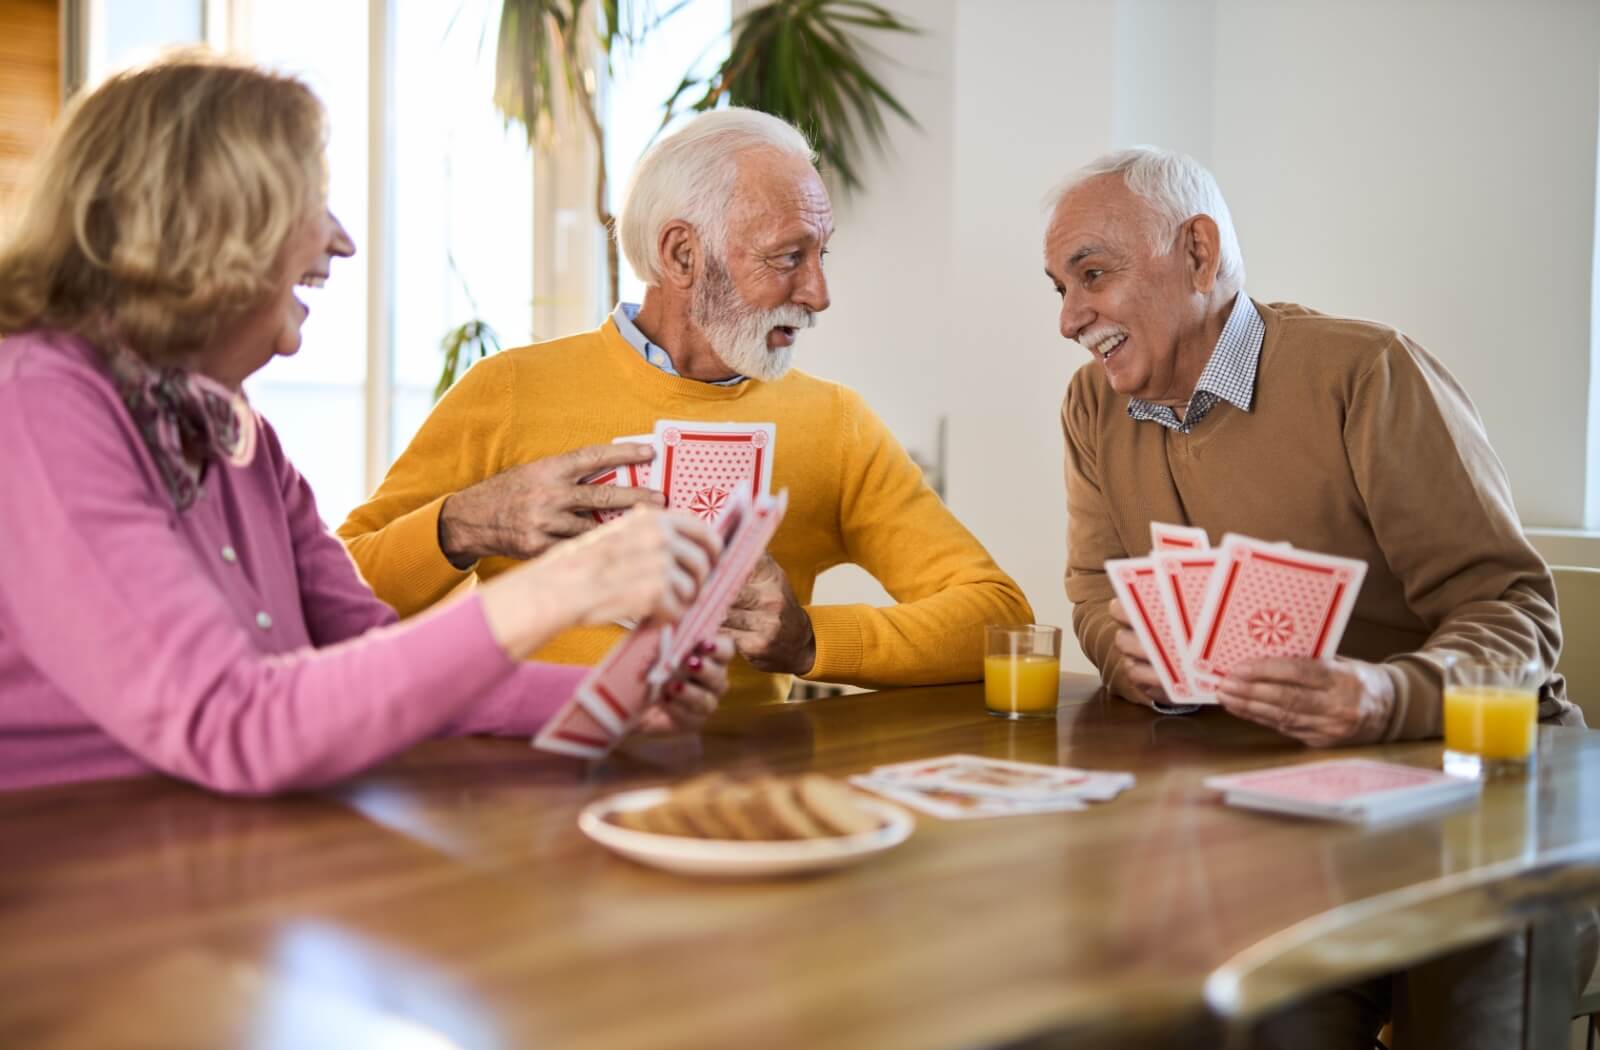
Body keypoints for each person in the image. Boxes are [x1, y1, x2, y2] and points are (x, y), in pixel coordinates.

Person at [0, 53, 733, 797]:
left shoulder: (243, 440)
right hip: (86, 883)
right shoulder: (36, 405)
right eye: (311, 201)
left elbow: (381, 661)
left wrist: (613, 697)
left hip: (229, 863)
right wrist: (561, 587)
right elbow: (233, 722)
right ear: (208, 221)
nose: (341, 240)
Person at [1045, 146, 1584, 1048]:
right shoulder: (1090, 409)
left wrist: (1384, 694)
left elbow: (1514, 607)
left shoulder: (1367, 373)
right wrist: (1122, 649)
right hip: (1271, 813)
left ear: (1200, 253)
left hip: (1475, 809)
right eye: (1058, 287)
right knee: (1200, 1014)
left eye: (1091, 275)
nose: (1068, 318)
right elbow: (1095, 587)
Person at [339, 107, 1033, 705]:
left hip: (732, 803)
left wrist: (812, 639)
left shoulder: (835, 424)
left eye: (822, 254)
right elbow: (332, 598)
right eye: (789, 256)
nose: (820, 293)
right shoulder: (510, 390)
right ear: (680, 254)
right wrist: (463, 525)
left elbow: (997, 617)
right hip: (530, 789)